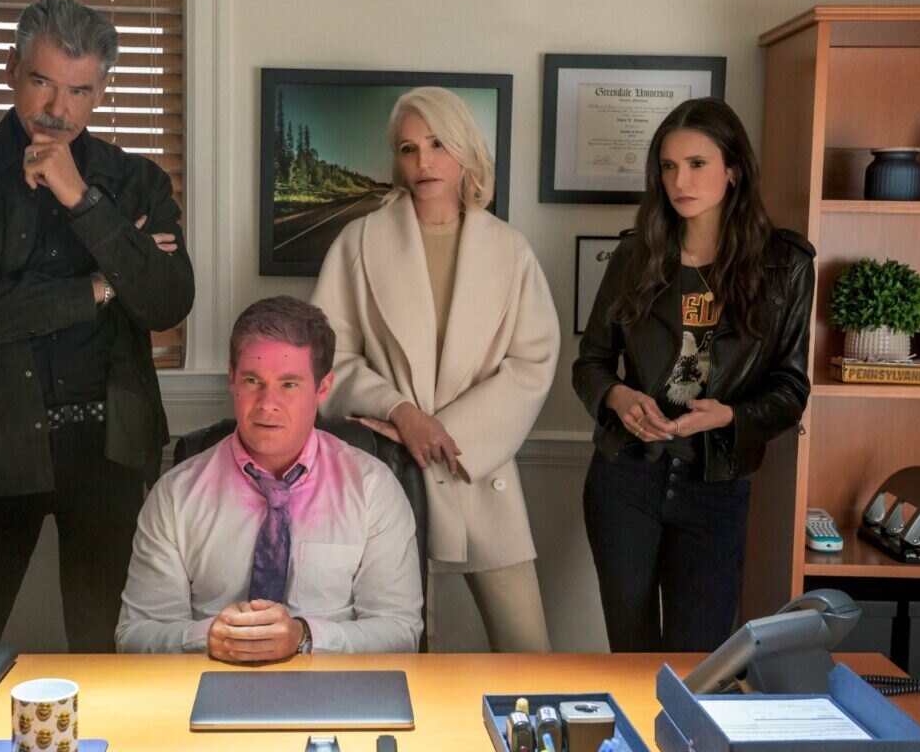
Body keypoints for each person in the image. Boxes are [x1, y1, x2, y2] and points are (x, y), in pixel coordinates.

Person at [0, 0, 195, 652]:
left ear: (101, 91)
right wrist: (99, 285)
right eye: (42, 81)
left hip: (109, 448)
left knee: (111, 648)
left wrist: (80, 198)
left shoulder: (136, 181)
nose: (58, 109)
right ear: (12, 69)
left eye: (80, 90)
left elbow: (165, 303)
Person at [311, 87, 559, 653]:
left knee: (528, 654)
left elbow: (533, 361)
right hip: (391, 469)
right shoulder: (359, 243)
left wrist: (444, 433)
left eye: (438, 144)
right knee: (401, 652)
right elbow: (329, 357)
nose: (424, 161)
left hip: (480, 471)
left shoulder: (510, 250)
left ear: (465, 151)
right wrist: (401, 412)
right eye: (409, 148)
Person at [573, 97, 815, 653]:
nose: (680, 181)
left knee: (698, 657)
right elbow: (590, 362)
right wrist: (617, 396)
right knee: (630, 653)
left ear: (734, 170)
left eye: (697, 163)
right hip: (626, 478)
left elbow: (790, 389)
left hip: (717, 484)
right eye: (668, 166)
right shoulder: (635, 257)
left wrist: (730, 415)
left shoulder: (787, 265)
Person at [115, 296, 423, 658]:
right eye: (252, 380)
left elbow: (400, 631)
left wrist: (305, 637)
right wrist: (206, 636)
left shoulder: (372, 488)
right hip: (209, 676)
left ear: (322, 388)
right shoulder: (176, 494)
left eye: (289, 384)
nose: (266, 403)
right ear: (232, 378)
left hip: (333, 683)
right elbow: (135, 634)